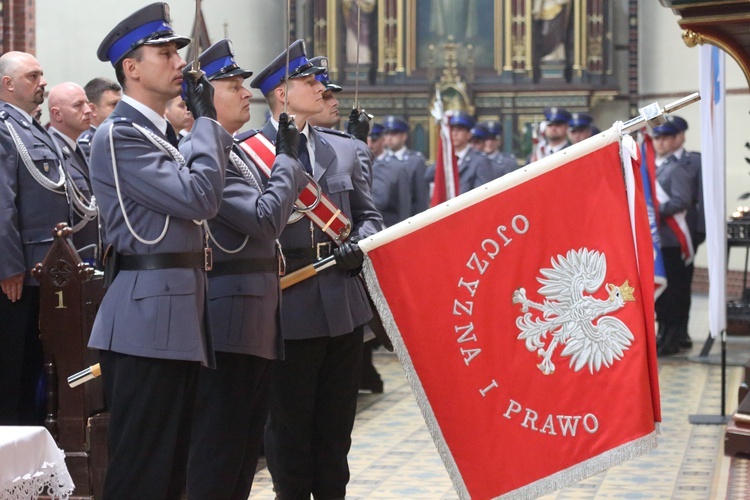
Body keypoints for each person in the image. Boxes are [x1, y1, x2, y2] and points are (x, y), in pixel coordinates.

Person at [88, 3, 233, 497]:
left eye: (177, 51)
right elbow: (201, 198)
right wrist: (208, 124)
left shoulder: (160, 134)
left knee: (171, 468)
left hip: (175, 311)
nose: (179, 62)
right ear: (131, 68)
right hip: (146, 317)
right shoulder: (123, 133)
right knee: (144, 468)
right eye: (165, 52)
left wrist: (197, 130)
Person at [243, 39, 383, 500]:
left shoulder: (342, 150)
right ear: (281, 94)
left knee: (335, 430)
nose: (321, 88)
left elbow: (368, 216)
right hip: (286, 303)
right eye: (309, 81)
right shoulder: (249, 153)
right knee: (287, 429)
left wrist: (358, 245)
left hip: (341, 303)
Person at [184, 38, 308, 499]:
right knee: (220, 446)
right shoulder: (211, 154)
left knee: (242, 448)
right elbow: (264, 220)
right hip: (230, 317)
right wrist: (289, 159)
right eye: (232, 85)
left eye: (242, 84)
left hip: (254, 317)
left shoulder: (233, 151)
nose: (244, 93)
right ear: (205, 96)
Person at [0, 51, 70, 425]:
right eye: (33, 76)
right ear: (8, 84)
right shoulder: (3, 127)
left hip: (46, 270)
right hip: (19, 275)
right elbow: (2, 204)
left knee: (33, 369)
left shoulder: (31, 127)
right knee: (13, 372)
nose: (42, 82)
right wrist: (8, 266)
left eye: (42, 75)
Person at [651, 120, 698, 356]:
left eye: (665, 138)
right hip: (658, 240)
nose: (660, 142)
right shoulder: (653, 166)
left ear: (674, 140)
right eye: (657, 138)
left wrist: (653, 211)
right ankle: (663, 333)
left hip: (671, 239)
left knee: (674, 291)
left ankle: (673, 337)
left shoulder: (676, 168)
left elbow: (682, 201)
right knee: (662, 293)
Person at [48, 82, 99, 265]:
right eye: (78, 105)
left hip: (85, 256)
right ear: (57, 114)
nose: (87, 111)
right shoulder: (51, 152)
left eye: (87, 104)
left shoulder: (75, 149)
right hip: (66, 259)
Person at [381, 114, 430, 215]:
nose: (389, 138)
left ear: (404, 136)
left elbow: (421, 199)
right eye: (386, 134)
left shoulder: (416, 161)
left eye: (394, 134)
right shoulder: (380, 161)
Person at [449, 111, 496, 193]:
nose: (454, 134)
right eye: (452, 130)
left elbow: (484, 194)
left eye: (459, 130)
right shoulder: (447, 159)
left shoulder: (479, 161)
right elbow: (428, 176)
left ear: (468, 134)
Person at [78, 77, 121, 160]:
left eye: (121, 104)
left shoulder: (114, 135)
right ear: (92, 109)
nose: (120, 109)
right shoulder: (88, 144)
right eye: (114, 104)